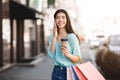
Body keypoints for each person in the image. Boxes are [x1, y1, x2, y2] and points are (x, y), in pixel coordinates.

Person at [47, 9, 82, 80]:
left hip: (70, 71)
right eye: (57, 18)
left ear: (67, 20)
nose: (60, 20)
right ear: (54, 21)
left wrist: (67, 54)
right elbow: (51, 55)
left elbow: (77, 59)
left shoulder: (72, 37)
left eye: (63, 17)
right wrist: (54, 37)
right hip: (56, 71)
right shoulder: (52, 37)